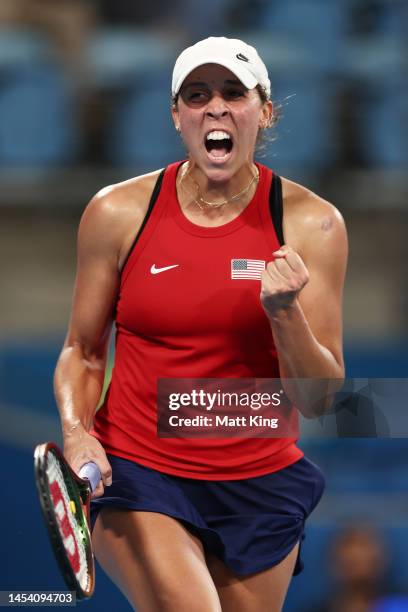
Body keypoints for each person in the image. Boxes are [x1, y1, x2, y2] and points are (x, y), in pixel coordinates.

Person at [55, 36, 348, 612]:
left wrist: (285, 312)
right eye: (196, 94)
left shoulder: (315, 225)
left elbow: (318, 399)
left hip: (261, 480)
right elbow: (83, 350)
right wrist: (75, 428)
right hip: (141, 471)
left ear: (263, 111)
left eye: (233, 92)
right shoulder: (116, 213)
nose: (214, 107)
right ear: (176, 115)